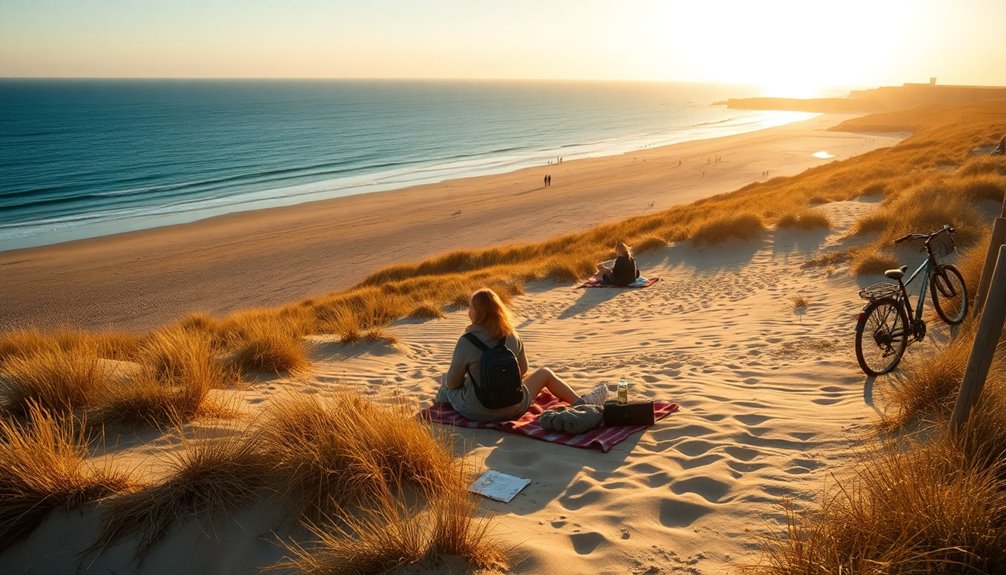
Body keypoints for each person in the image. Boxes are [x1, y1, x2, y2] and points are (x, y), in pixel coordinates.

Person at [436, 288, 607, 422]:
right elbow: (523, 370)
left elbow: (453, 383)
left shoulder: (466, 341)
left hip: (476, 411)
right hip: (515, 406)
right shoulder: (512, 335)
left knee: (446, 384)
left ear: (477, 312)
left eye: (470, 308)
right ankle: (581, 403)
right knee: (545, 373)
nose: (468, 312)